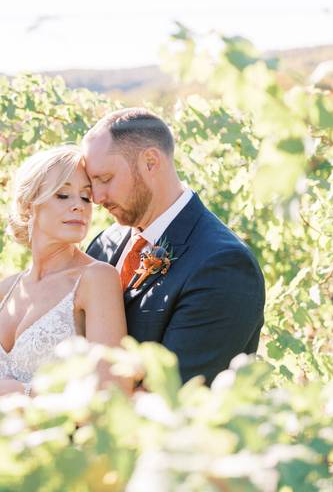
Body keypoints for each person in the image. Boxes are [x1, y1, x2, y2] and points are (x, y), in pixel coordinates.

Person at [82, 108, 265, 385]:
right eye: (91, 183)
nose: (96, 197)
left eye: (105, 179)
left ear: (151, 162)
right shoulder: (105, 243)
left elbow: (171, 396)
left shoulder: (222, 265)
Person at [0, 145, 128, 399]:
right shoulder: (8, 288)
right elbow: (3, 379)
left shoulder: (96, 279)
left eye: (85, 197)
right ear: (29, 205)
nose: (79, 206)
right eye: (63, 195)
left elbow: (113, 391)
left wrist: (23, 393)